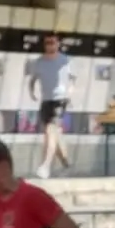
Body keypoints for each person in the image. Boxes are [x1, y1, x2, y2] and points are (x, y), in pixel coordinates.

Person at [27, 32, 72, 176]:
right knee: (55, 134)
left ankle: (45, 165)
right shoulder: (39, 62)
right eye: (47, 43)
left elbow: (72, 80)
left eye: (53, 42)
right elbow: (33, 79)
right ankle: (66, 162)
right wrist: (32, 92)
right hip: (46, 100)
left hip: (60, 100)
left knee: (49, 130)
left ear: (58, 44)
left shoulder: (65, 60)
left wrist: (69, 94)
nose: (50, 46)